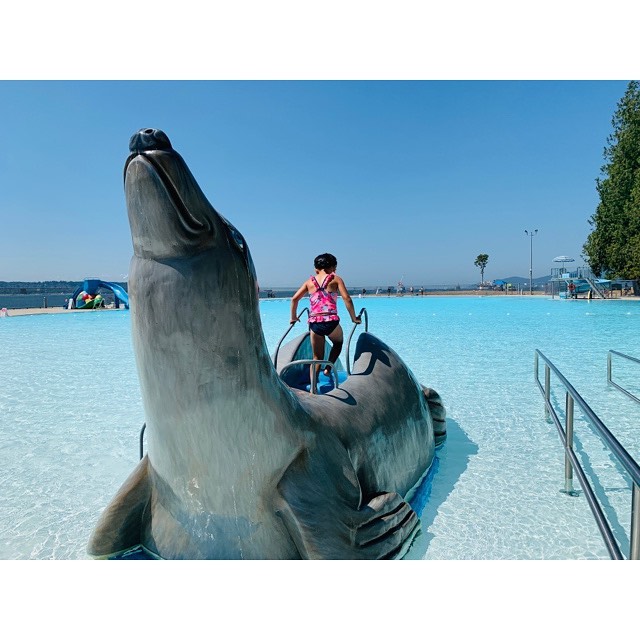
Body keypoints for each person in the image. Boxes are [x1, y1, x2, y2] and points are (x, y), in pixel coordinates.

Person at [290, 253, 361, 379]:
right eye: (335, 268)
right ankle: (328, 368)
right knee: (338, 343)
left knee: (317, 358)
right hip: (330, 321)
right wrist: (354, 318)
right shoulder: (336, 279)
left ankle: (313, 387)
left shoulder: (309, 282)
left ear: (316, 268)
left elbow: (294, 299)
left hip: (315, 323)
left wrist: (293, 317)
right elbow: (347, 299)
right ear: (332, 267)